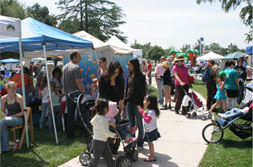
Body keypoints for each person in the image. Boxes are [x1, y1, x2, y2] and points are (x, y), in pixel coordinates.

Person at [123, 58, 146, 150]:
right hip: (129, 103)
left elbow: (143, 92)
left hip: (138, 105)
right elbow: (127, 89)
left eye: (129, 64)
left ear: (134, 65)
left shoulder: (141, 76)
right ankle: (133, 142)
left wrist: (140, 104)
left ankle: (140, 143)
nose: (127, 66)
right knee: (132, 124)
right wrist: (125, 100)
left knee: (139, 125)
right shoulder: (129, 75)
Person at [63, 50, 85, 139]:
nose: (80, 58)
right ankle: (83, 131)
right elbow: (78, 81)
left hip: (68, 94)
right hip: (76, 93)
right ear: (74, 57)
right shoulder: (76, 67)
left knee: (70, 114)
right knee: (81, 113)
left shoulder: (65, 67)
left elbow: (63, 81)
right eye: (79, 56)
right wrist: (83, 91)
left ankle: (70, 133)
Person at [88, 98, 116, 167]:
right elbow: (105, 132)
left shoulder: (97, 117)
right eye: (107, 108)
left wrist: (108, 124)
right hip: (100, 142)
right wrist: (114, 135)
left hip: (100, 141)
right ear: (105, 109)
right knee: (95, 159)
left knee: (108, 156)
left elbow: (95, 123)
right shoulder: (103, 119)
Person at [0, 81, 24, 153]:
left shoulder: (19, 98)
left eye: (15, 88)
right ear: (7, 89)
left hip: (19, 119)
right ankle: (5, 148)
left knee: (2, 122)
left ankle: (4, 147)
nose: (14, 90)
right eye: (13, 88)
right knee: (2, 124)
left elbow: (23, 112)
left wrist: (11, 116)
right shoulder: (3, 98)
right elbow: (2, 111)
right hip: (8, 119)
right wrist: (6, 117)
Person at [137, 95, 160, 162]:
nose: (143, 101)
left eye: (145, 100)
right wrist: (141, 110)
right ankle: (151, 154)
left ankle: (152, 157)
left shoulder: (151, 112)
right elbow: (144, 115)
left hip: (150, 131)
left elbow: (147, 120)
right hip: (151, 129)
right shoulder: (151, 110)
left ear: (149, 102)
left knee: (150, 144)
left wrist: (144, 114)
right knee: (150, 144)